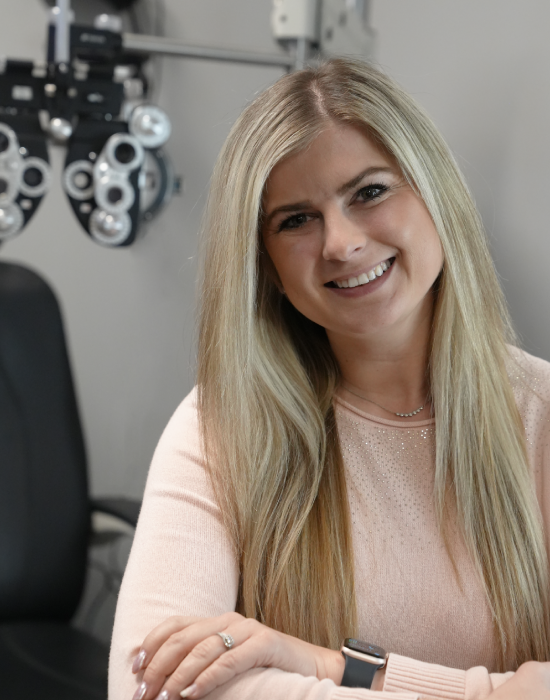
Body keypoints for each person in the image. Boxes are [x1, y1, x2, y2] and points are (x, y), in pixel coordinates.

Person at [108, 58, 550, 700]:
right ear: (265, 266)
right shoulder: (222, 428)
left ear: (435, 193)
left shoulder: (540, 415)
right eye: (295, 220)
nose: (340, 243)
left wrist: (330, 666)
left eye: (369, 192)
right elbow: (150, 688)